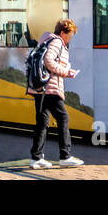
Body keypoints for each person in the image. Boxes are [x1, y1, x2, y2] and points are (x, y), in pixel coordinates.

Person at [27, 18, 84, 169]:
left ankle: (36, 158)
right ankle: (65, 156)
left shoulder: (47, 40)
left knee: (42, 122)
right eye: (70, 34)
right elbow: (48, 61)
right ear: (63, 32)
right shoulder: (57, 42)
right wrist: (66, 72)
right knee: (63, 118)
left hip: (39, 88)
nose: (71, 37)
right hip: (50, 88)